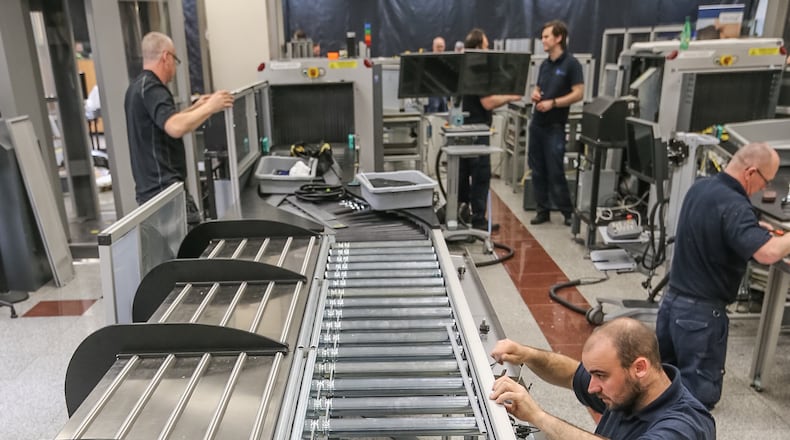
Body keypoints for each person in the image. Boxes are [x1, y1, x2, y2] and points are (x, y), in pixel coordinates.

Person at [657, 142, 790, 409]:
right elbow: (766, 254)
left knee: (663, 388)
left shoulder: (701, 188)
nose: (766, 189)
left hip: (671, 307)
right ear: (751, 172)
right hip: (700, 320)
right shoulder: (735, 205)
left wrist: (751, 226)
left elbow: (716, 224)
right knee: (696, 403)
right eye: (766, 181)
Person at [490, 317, 715, 439]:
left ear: (640, 368)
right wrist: (527, 355)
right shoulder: (629, 392)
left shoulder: (686, 426)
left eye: (601, 375)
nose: (592, 387)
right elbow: (570, 373)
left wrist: (537, 416)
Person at [124, 32, 233, 223]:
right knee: (191, 248)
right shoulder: (153, 88)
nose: (175, 67)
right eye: (175, 60)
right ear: (166, 57)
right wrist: (211, 106)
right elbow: (174, 127)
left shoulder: (137, 88)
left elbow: (165, 123)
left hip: (152, 195)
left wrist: (197, 108)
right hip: (165, 195)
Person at [459, 28, 521, 230]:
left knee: (463, 173)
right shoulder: (479, 71)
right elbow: (487, 102)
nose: (489, 49)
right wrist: (511, 96)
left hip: (465, 129)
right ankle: (477, 220)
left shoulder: (466, 68)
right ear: (478, 47)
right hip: (477, 131)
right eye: (486, 45)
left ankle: (461, 214)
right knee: (480, 174)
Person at [528, 20, 584, 226]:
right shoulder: (544, 65)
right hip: (538, 124)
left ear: (558, 38)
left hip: (554, 127)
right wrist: (535, 93)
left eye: (546, 37)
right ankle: (542, 210)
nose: (543, 40)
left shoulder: (571, 64)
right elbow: (539, 87)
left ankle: (567, 212)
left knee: (555, 170)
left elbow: (579, 93)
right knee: (537, 169)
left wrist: (554, 103)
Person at [425, 36, 448, 113]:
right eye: (438, 47)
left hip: (443, 92)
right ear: (433, 47)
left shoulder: (447, 61)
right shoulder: (428, 60)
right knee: (433, 111)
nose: (440, 49)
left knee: (444, 110)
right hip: (431, 93)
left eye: (442, 47)